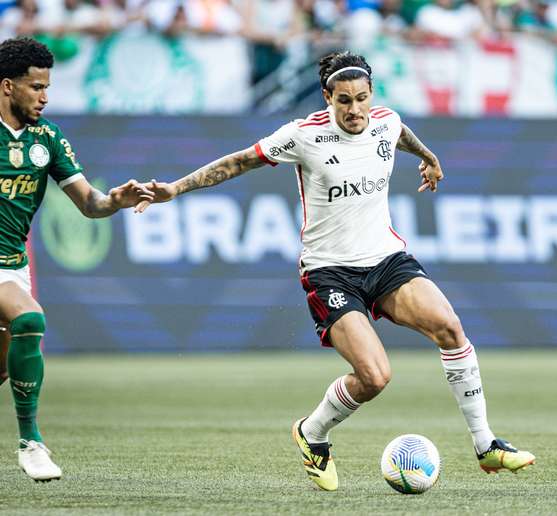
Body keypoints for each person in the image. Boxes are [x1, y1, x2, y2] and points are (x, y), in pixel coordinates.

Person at [134, 50, 535, 491]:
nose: (355, 110)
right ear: (327, 97)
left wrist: (428, 156)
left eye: (362, 98)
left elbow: (399, 131)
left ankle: (485, 445)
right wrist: (175, 187)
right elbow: (238, 161)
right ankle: (312, 433)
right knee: (375, 377)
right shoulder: (303, 136)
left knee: (451, 328)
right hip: (330, 272)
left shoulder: (384, 120)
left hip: (386, 260)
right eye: (344, 100)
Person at [0, 36, 153, 482]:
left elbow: (89, 203)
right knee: (30, 320)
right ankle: (31, 443)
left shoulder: (47, 138)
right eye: (35, 87)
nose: (44, 97)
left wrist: (115, 201)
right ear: (7, 86)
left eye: (48, 87)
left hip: (11, 264)